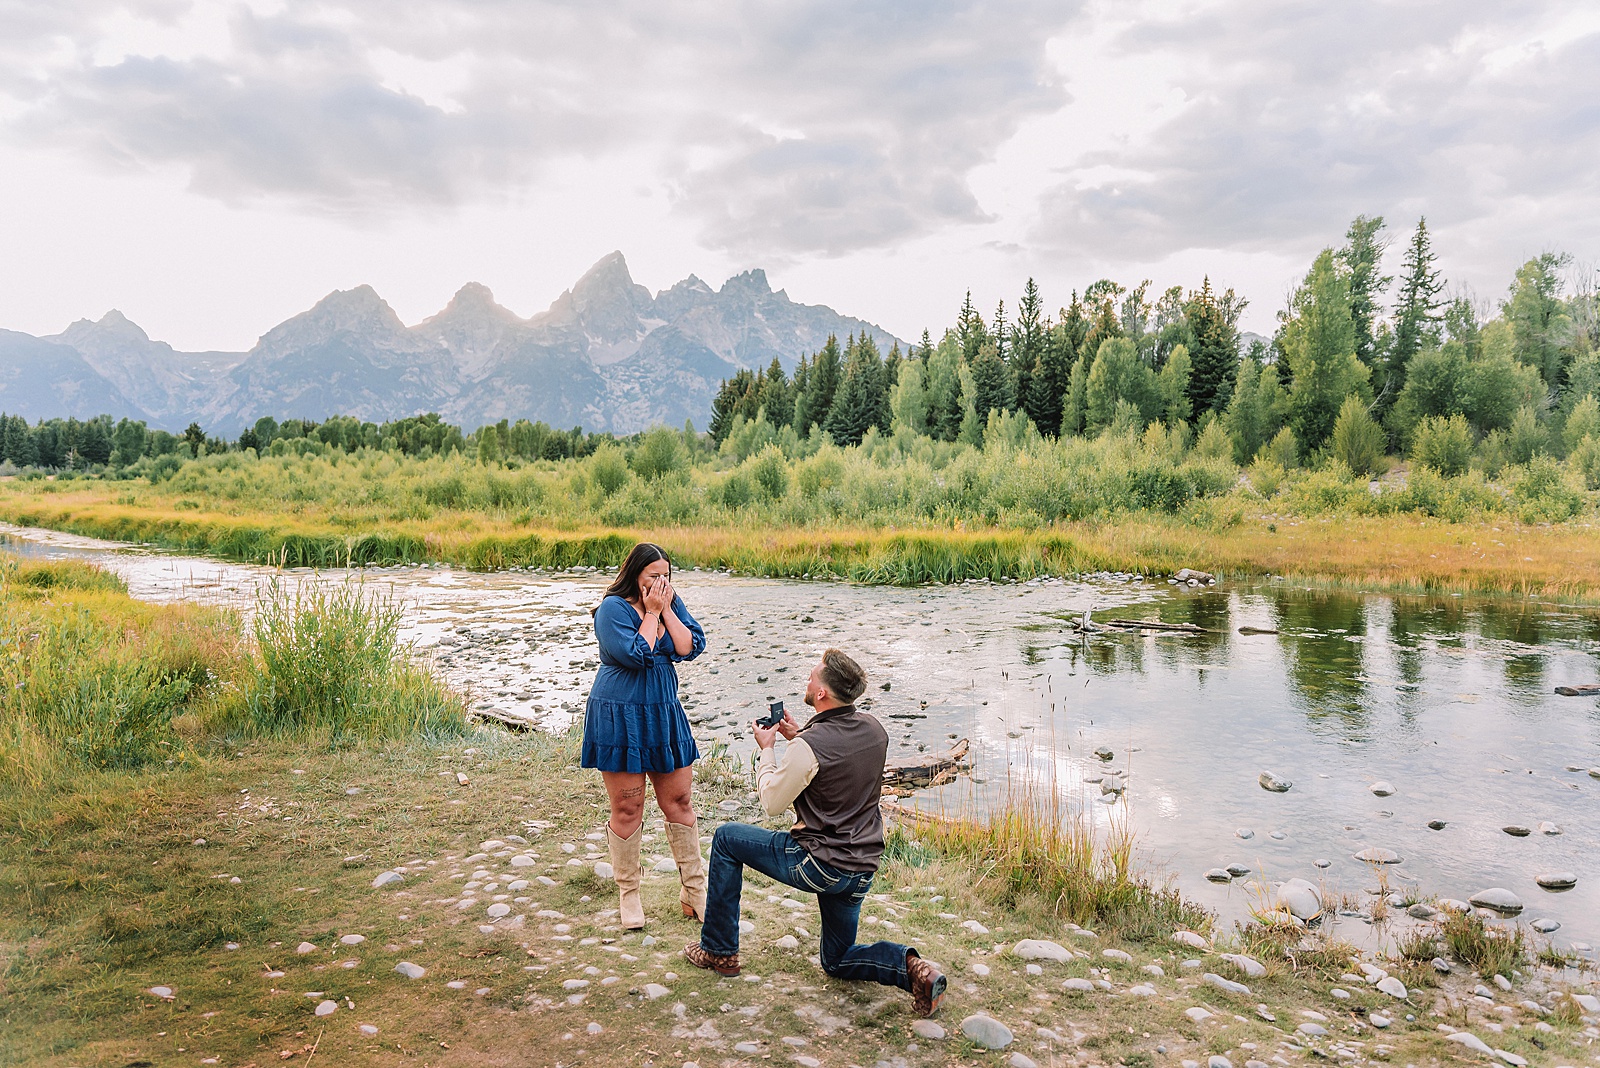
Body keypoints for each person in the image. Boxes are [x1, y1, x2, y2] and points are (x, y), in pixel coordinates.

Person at [683, 649, 947, 1017]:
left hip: (819, 864)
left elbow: (772, 801)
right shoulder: (875, 730)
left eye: (811, 678)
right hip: (862, 869)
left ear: (822, 693)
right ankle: (914, 969)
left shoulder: (809, 746)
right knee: (836, 962)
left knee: (727, 839)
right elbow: (837, 765)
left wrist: (769, 750)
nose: (806, 683)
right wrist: (799, 735)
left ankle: (719, 950)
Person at [582, 542, 707, 929]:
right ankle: (629, 895)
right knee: (627, 809)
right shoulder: (612, 609)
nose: (661, 582)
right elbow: (638, 652)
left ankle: (695, 891)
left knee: (680, 801)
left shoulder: (669, 600)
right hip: (620, 714)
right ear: (635, 574)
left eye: (666, 575)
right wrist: (651, 612)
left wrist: (666, 608)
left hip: (663, 710)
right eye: (654, 576)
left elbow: (688, 646)